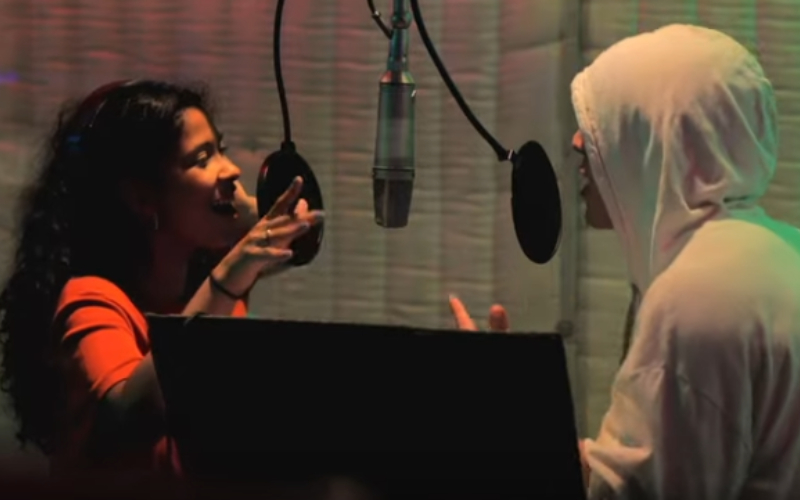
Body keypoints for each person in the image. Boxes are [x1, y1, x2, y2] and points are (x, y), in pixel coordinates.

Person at [450, 24, 800, 499]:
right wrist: (519, 415)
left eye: (606, 123)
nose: (577, 143)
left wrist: (491, 424)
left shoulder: (697, 298)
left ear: (661, 135)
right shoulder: (778, 254)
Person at [0, 79, 324, 477]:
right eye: (203, 158)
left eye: (221, 149)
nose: (232, 168)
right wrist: (228, 279)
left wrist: (258, 212)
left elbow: (292, 230)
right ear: (142, 198)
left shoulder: (207, 286)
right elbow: (130, 413)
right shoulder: (90, 301)